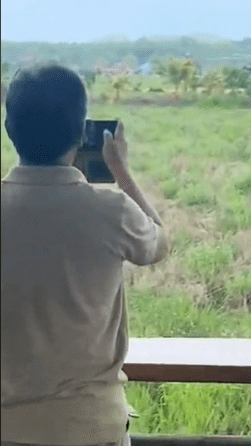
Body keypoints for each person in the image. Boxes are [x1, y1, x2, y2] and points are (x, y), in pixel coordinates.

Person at [1, 64, 169, 446]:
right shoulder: (110, 210)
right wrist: (121, 171)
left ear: (10, 130)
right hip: (91, 427)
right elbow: (158, 242)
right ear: (81, 132)